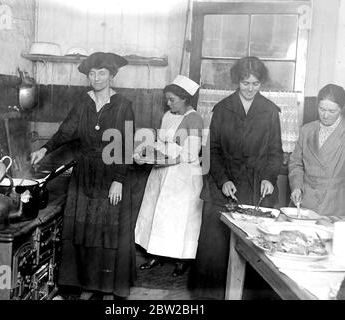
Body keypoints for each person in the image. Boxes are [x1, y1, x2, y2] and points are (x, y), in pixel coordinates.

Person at [30, 52, 136, 299]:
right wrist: (44, 149)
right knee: (80, 225)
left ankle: (102, 286)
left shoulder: (123, 105)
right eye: (92, 73)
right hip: (85, 171)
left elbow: (127, 145)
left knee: (104, 228)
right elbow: (65, 131)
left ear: (112, 76)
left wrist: (119, 180)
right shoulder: (83, 102)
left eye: (101, 73)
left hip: (111, 173)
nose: (96, 78)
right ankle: (75, 284)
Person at [189, 56, 283, 299]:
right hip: (223, 184)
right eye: (245, 83)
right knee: (215, 247)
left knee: (255, 247)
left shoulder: (270, 111)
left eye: (255, 84)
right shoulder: (222, 108)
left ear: (261, 83)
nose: (250, 88)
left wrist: (269, 178)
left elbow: (275, 151)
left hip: (255, 187)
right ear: (237, 81)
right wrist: (223, 180)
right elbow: (212, 150)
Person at [134, 75, 204, 277]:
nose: (168, 103)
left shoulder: (194, 119)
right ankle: (155, 253)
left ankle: (181, 259)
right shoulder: (168, 116)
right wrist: (145, 150)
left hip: (183, 176)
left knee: (179, 218)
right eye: (167, 99)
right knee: (158, 214)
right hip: (162, 173)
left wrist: (157, 160)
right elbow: (160, 142)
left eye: (172, 99)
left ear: (185, 99)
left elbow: (188, 154)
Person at [289, 84, 345, 216]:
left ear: (342, 109)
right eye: (321, 109)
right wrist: (297, 186)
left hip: (335, 204)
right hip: (304, 202)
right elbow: (296, 163)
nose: (325, 115)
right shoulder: (306, 130)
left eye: (332, 111)